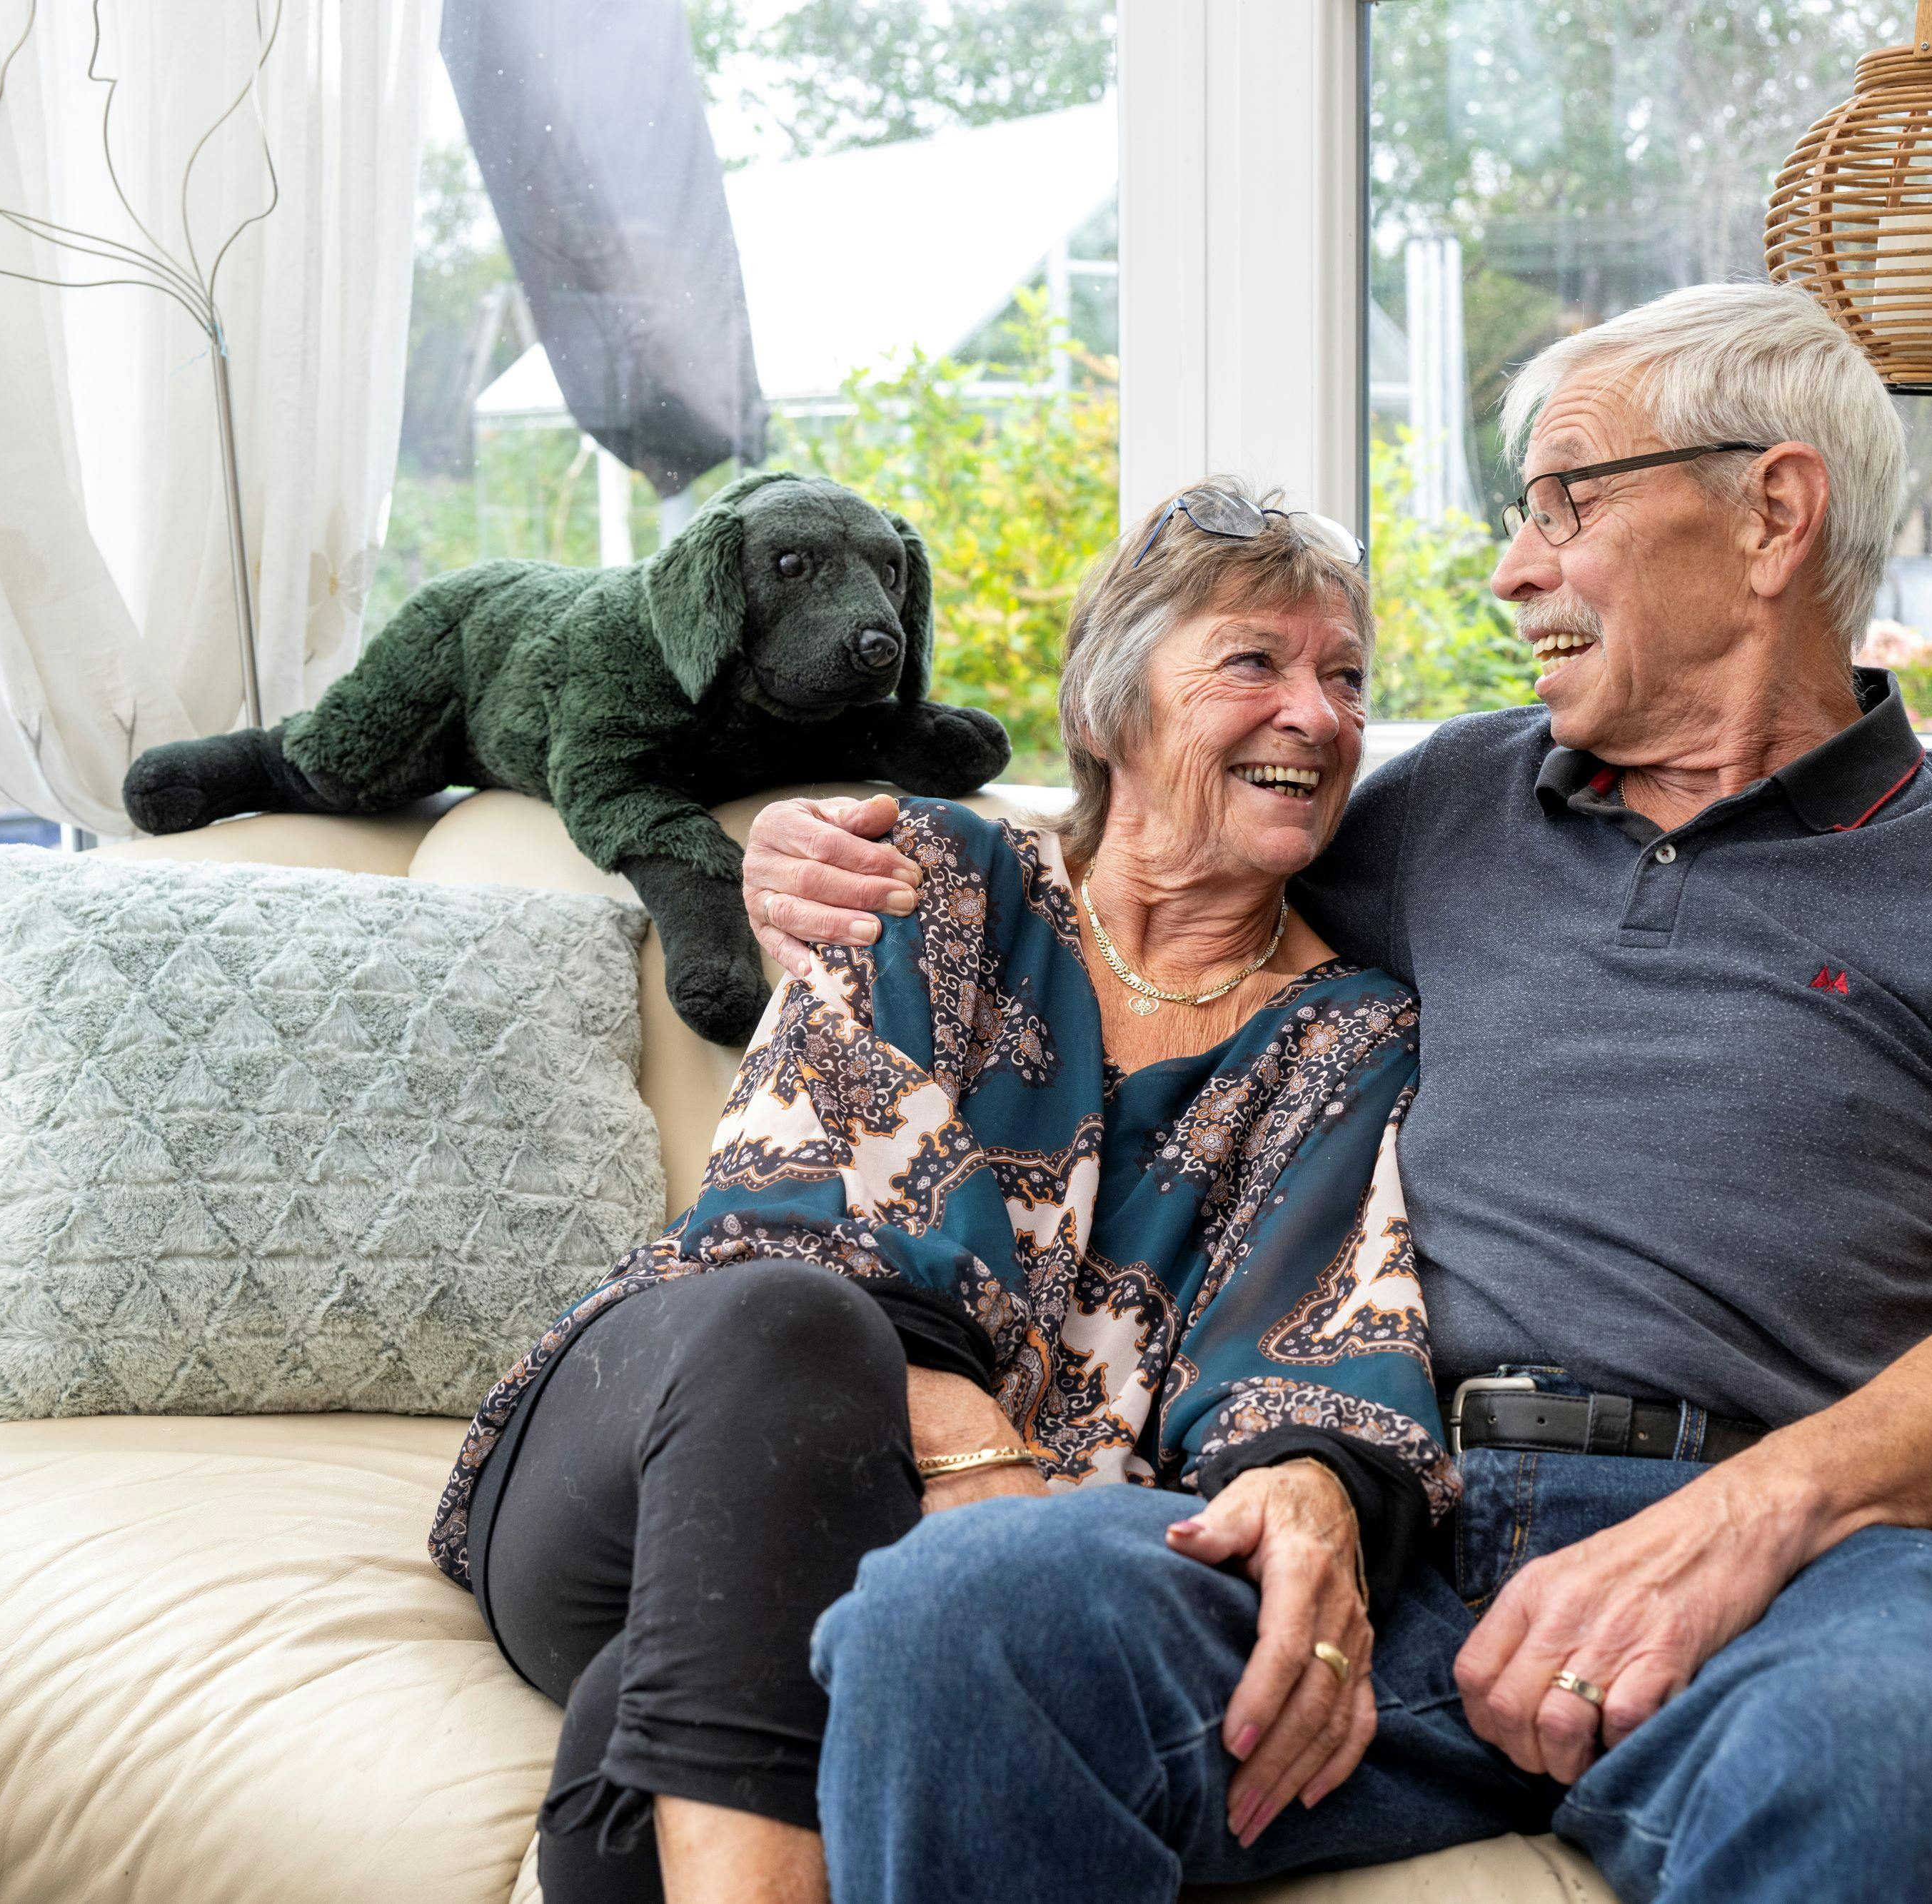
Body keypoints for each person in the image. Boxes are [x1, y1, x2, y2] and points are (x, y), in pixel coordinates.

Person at [741, 282, 1932, 1904]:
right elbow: (1140, 867)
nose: (1513, 568)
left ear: (1772, 514)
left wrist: (1735, 1528)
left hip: (1781, 1556)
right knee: (970, 1611)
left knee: (1905, 1773)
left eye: (1566, 500)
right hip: (1388, 1518)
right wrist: (847, 866)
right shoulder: (1448, 803)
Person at [428, 486, 1461, 1904]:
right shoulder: (929, 872)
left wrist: (1280, 1490)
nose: (1319, 712)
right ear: (1107, 710)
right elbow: (791, 1210)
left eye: (1345, 677)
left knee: (664, 1714)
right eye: (1254, 663)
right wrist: (986, 1464)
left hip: (888, 1589)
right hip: (661, 1463)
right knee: (788, 1328)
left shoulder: (1345, 1035)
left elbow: (1306, 1330)